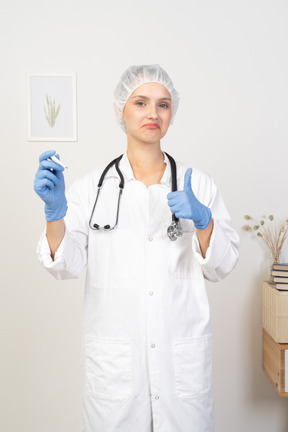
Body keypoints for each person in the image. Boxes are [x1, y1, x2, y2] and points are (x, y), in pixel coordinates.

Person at [34, 64, 239, 432]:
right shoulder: (91, 188)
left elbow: (221, 266)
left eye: (163, 105)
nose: (152, 113)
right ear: (121, 111)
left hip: (181, 369)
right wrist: (55, 215)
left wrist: (205, 222)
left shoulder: (197, 185)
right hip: (115, 370)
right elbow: (65, 264)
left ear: (172, 113)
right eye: (140, 102)